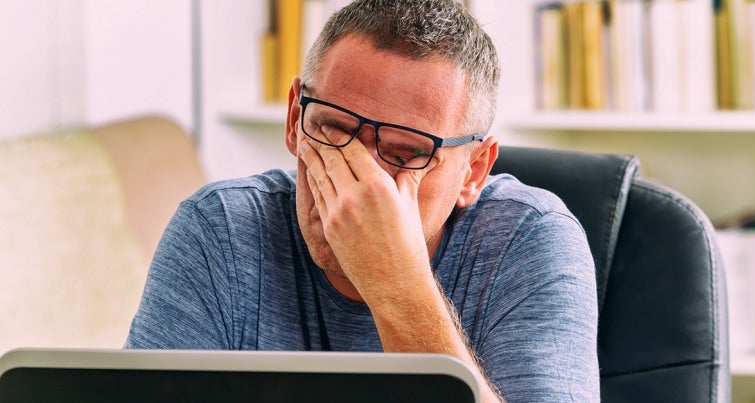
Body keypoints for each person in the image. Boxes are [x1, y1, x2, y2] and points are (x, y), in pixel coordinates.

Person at [125, 0, 600, 401]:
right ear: (294, 119)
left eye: (404, 153)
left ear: (473, 171)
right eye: (333, 129)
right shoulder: (219, 231)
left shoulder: (534, 242)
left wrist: (397, 284)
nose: (361, 184)